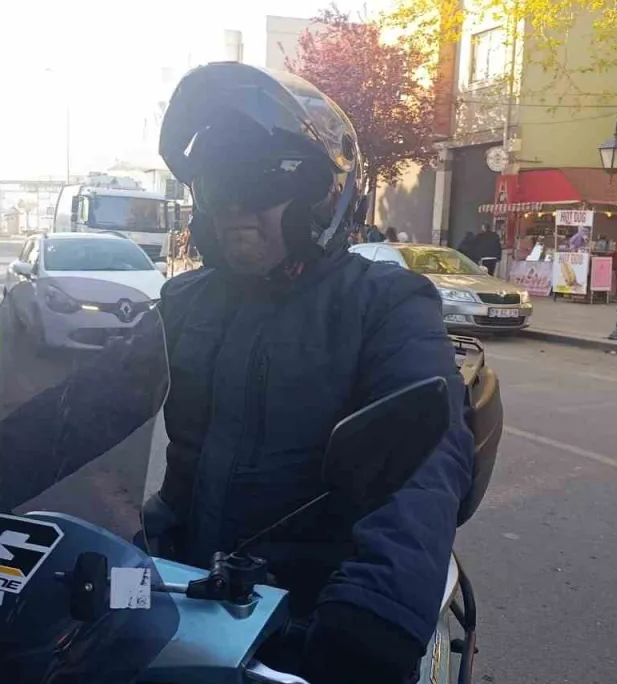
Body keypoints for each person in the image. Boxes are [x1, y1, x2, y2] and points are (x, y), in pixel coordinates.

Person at [150, 63, 473, 684]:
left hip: (315, 606)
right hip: (184, 583)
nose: (234, 207)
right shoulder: (183, 302)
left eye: (258, 182)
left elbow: (429, 458)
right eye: (217, 185)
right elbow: (92, 400)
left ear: (323, 194)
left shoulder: (386, 303)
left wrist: (377, 608)